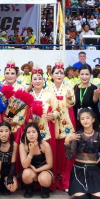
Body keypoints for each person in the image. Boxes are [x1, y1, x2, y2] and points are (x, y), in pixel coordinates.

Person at [64, 108, 100, 199]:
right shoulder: (77, 135)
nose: (85, 120)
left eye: (87, 118)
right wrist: (67, 142)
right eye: (82, 119)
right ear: (80, 121)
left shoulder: (99, 135)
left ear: (93, 119)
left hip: (94, 170)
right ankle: (84, 191)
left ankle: (91, 191)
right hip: (79, 170)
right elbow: (69, 157)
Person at [42, 61, 75, 191]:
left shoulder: (69, 87)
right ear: (52, 74)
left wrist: (68, 98)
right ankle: (53, 179)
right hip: (52, 123)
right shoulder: (47, 89)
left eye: (61, 72)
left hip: (66, 122)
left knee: (66, 153)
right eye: (57, 72)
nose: (59, 75)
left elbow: (72, 103)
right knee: (54, 153)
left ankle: (66, 181)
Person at [19, 122, 53, 198]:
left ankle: (45, 190)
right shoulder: (22, 145)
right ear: (25, 134)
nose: (31, 134)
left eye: (34, 132)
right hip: (30, 170)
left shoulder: (45, 145)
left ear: (38, 133)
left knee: (44, 178)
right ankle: (29, 189)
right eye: (28, 132)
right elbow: (24, 165)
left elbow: (49, 164)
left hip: (44, 169)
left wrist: (37, 170)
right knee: (26, 174)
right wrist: (31, 152)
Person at [0, 121, 18, 199]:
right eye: (1, 131)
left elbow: (13, 163)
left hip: (7, 170)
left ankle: (3, 185)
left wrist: (9, 178)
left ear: (10, 132)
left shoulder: (14, 144)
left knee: (13, 188)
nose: (4, 134)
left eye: (6, 131)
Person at [73, 64, 100, 131]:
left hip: (91, 120)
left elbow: (95, 102)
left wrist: (96, 94)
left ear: (90, 75)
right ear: (79, 74)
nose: (84, 77)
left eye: (87, 74)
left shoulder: (94, 87)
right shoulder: (75, 88)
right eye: (82, 74)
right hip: (78, 120)